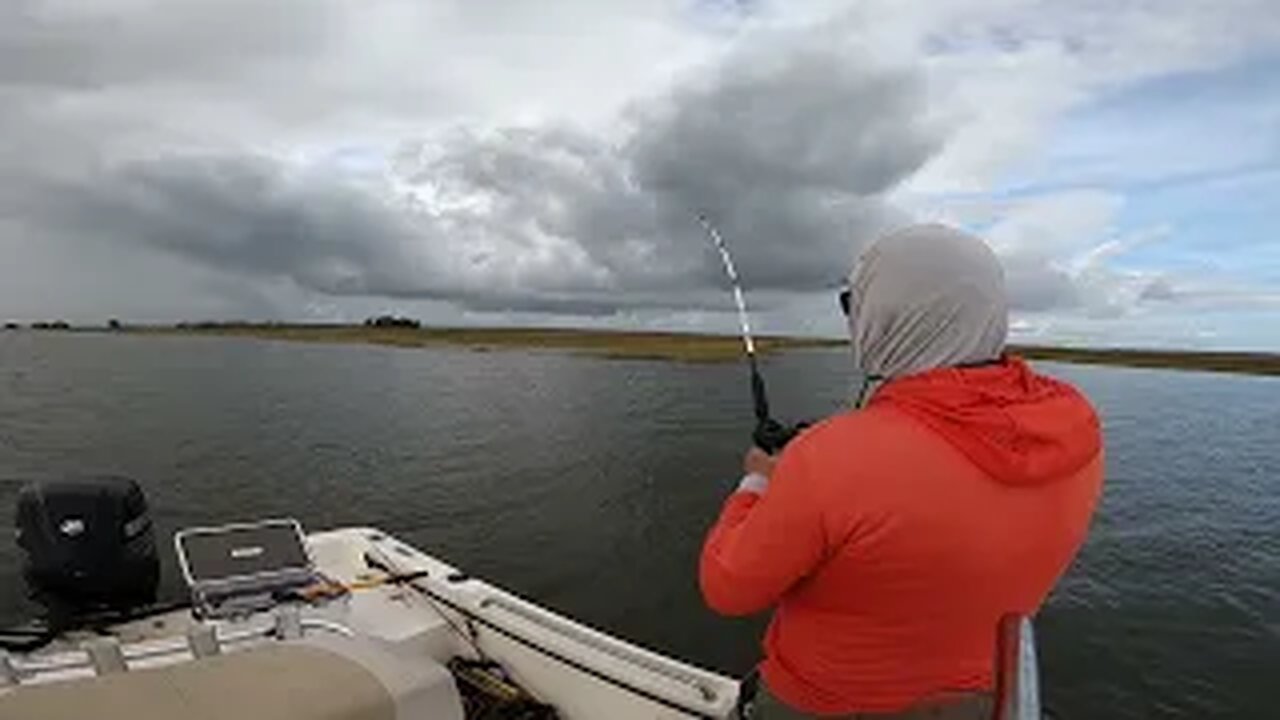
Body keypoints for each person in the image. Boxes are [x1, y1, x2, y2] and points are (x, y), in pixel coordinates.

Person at [699, 223, 1104, 719]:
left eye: (856, 302)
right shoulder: (1076, 430)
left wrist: (758, 479)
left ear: (885, 314)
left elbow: (728, 586)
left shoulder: (830, 458)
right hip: (978, 705)